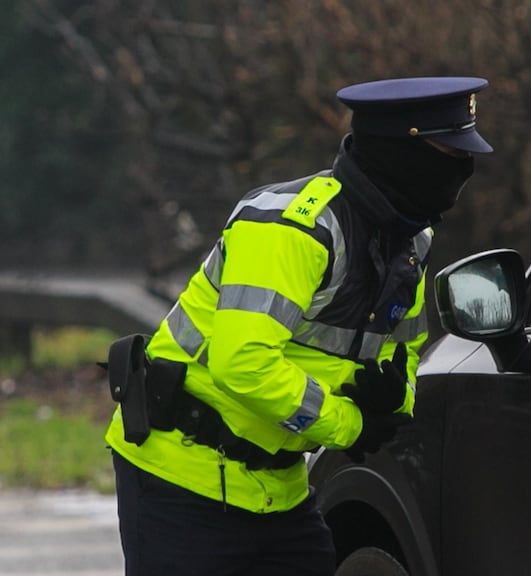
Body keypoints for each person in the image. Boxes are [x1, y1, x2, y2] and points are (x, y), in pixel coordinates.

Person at [104, 76, 493, 576]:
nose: (463, 169)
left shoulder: (410, 241)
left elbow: (407, 352)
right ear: (399, 153)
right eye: (449, 154)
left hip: (280, 486)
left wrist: (393, 399)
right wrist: (350, 423)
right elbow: (243, 363)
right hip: (183, 477)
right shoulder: (292, 228)